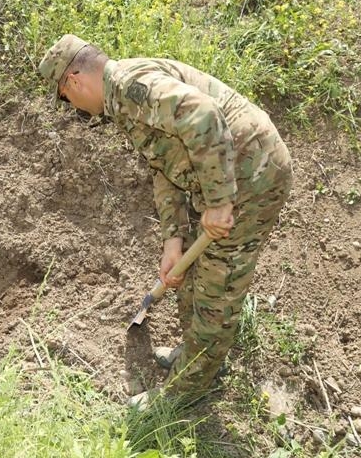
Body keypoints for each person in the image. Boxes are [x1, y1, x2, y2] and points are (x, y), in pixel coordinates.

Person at [39, 34, 293, 403]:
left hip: (253, 176)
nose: (71, 104)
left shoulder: (131, 88)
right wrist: (173, 241)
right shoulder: (121, 95)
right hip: (228, 174)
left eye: (65, 97)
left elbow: (203, 114)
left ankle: (182, 393)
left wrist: (221, 202)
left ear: (73, 81)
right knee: (192, 273)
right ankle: (197, 356)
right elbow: (165, 166)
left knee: (215, 289)